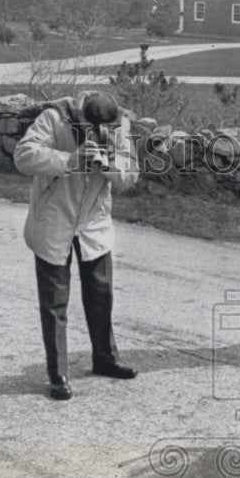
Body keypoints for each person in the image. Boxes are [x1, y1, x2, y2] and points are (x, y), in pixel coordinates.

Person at [14, 90, 140, 400]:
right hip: (54, 220)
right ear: (81, 116)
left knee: (101, 294)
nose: (99, 134)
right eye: (92, 128)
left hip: (94, 225)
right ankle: (58, 374)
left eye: (105, 130)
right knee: (55, 303)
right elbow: (23, 155)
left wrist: (108, 163)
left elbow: (129, 175)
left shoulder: (119, 124)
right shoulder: (54, 118)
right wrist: (69, 159)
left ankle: (105, 359)